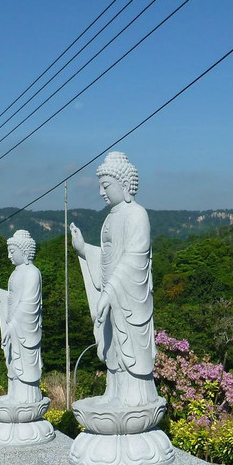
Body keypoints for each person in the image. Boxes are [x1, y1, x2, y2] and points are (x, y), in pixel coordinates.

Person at [71, 152, 158, 406]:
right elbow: (107, 257)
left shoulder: (137, 214)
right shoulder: (110, 219)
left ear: (124, 185)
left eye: (106, 185)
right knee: (112, 348)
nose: (101, 192)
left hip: (127, 298)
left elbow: (134, 258)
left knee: (128, 344)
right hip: (112, 299)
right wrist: (84, 249)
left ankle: (135, 393)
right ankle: (114, 389)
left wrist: (109, 292)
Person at [0, 230, 43, 403]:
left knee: (24, 365)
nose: (8, 256)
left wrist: (12, 326)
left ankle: (26, 398)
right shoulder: (15, 274)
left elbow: (28, 304)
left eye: (12, 252)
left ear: (25, 252)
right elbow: (13, 299)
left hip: (24, 331)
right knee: (13, 363)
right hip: (14, 329)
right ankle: (14, 394)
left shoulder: (32, 272)